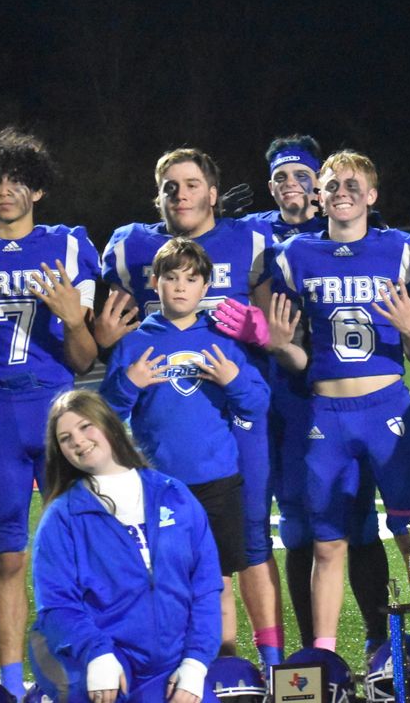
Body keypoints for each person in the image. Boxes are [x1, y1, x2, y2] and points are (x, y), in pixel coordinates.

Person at [98, 148, 283, 664]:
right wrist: (111, 350)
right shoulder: (131, 249)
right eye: (170, 186)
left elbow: (273, 329)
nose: (181, 194)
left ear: (213, 191)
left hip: (229, 440)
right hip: (160, 463)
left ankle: (264, 668)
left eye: (192, 183)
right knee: (165, 576)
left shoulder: (248, 239)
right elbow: (110, 388)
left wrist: (262, 334)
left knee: (248, 551)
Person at [0, 128, 99, 696]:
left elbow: (84, 361)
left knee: (76, 549)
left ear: (37, 190)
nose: (4, 190)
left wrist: (76, 319)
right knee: (10, 555)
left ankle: (85, 673)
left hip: (57, 412)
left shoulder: (69, 245)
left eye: (15, 180)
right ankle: (12, 685)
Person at [267, 149, 410, 654]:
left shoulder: (400, 249)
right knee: (327, 541)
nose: (342, 192)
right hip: (326, 413)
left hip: (387, 406)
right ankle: (324, 655)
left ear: (372, 194)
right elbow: (302, 360)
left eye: (352, 184)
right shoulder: (295, 254)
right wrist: (283, 348)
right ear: (319, 197)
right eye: (333, 185)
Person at [227, 135, 392, 656]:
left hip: (324, 398)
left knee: (356, 519)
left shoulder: (351, 232)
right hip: (271, 393)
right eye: (280, 177)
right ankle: (305, 652)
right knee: (294, 527)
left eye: (302, 175)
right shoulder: (252, 235)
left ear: (319, 186)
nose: (291, 186)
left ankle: (378, 637)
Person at [29, 389, 221, 702]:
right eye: (65, 438)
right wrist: (97, 654)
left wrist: (196, 663)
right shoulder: (62, 517)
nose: (78, 441)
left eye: (85, 426)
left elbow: (206, 587)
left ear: (109, 425)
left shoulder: (175, 495)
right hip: (107, 665)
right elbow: (55, 605)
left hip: (173, 667)